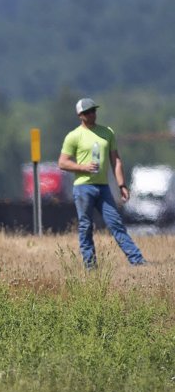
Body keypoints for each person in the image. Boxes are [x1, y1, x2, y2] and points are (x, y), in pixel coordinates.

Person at [58, 98, 147, 269]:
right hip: (83, 187)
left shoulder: (107, 132)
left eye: (94, 110)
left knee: (115, 223)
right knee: (85, 226)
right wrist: (83, 167)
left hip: (103, 187)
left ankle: (137, 260)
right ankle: (90, 266)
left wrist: (122, 185)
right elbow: (62, 163)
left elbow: (116, 161)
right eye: (88, 112)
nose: (93, 114)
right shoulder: (74, 136)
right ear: (80, 115)